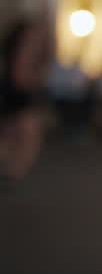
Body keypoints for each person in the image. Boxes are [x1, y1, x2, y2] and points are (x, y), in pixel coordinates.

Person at [1, 18, 47, 181]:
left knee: (14, 133)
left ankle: (13, 171)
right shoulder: (24, 49)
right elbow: (20, 76)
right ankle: (13, 172)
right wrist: (36, 79)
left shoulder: (19, 49)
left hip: (16, 95)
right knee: (25, 133)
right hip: (19, 95)